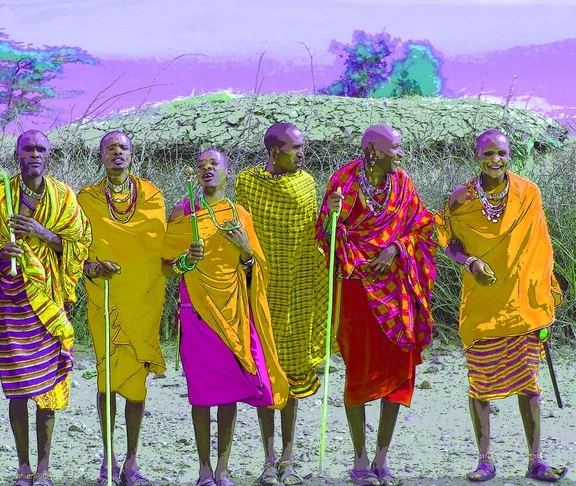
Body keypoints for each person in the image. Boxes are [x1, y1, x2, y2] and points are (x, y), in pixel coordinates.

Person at [435, 129, 568, 483]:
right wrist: (470, 263)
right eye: (488, 153)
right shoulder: (461, 197)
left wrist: (545, 292)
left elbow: (542, 247)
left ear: (511, 155)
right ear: (476, 155)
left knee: (529, 385)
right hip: (482, 303)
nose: (496, 160)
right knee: (479, 384)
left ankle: (536, 460)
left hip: (523, 303)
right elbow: (448, 240)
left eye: (502, 154)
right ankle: (484, 461)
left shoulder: (529, 193)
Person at [316, 124, 437, 486]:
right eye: (395, 148)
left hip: (397, 288)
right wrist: (332, 216)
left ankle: (382, 456)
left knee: (396, 371)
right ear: (374, 151)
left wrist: (395, 248)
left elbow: (422, 227)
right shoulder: (344, 183)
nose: (400, 153)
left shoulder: (403, 185)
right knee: (359, 372)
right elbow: (325, 235)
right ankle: (360, 459)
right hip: (357, 289)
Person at [163, 149, 289, 486]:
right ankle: (204, 470)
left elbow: (256, 270)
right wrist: (185, 262)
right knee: (202, 394)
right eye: (201, 166)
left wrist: (247, 250)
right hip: (196, 313)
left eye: (213, 165)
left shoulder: (238, 214)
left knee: (228, 393)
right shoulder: (183, 211)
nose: (207, 170)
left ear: (227, 173)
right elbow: (163, 265)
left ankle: (222, 469)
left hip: (234, 313)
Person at [0, 130, 91, 486]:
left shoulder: (63, 195)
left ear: (50, 157)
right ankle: (22, 467)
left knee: (48, 385)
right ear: (17, 155)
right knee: (18, 385)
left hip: (49, 299)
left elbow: (80, 243)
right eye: (28, 149)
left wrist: (43, 233)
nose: (35, 155)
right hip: (13, 299)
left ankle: (44, 468)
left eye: (42, 149)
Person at [235, 123, 329, 485]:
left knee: (292, 372)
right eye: (295, 148)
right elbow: (244, 229)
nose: (301, 153)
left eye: (302, 147)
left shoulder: (307, 183)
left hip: (301, 288)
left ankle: (288, 457)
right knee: (264, 372)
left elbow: (313, 231)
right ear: (275, 152)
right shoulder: (248, 183)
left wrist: (331, 214)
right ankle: (268, 459)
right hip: (262, 289)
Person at [77, 131, 167, 486]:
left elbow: (157, 245)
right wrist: (94, 268)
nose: (117, 153)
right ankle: (108, 459)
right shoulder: (86, 198)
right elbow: (78, 247)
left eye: (123, 148)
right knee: (107, 378)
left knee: (136, 381)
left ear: (132, 155)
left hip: (142, 299)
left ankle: (131, 462)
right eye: (110, 148)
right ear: (101, 156)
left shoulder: (151, 195)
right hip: (105, 297)